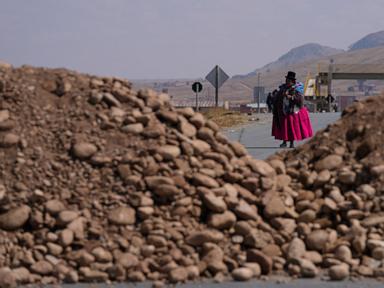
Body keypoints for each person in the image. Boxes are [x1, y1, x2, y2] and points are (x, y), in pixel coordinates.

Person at [272, 71, 313, 148]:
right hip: (283, 111)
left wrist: (290, 97)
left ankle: (291, 143)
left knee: (291, 128)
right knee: (284, 127)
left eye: (288, 80)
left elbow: (300, 100)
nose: (287, 81)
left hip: (292, 111)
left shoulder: (296, 89)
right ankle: (284, 142)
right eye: (286, 80)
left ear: (292, 81)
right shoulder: (282, 88)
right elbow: (277, 98)